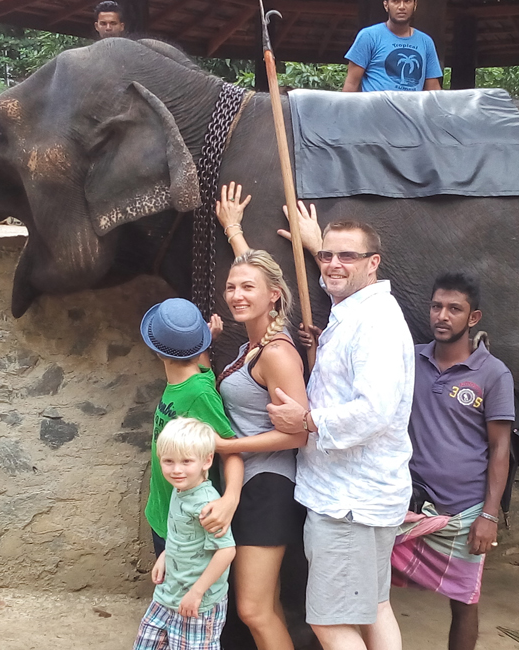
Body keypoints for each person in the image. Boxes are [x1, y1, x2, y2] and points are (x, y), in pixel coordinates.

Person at [265, 207, 415, 650]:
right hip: (359, 497)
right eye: (327, 255)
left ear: (374, 263)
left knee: (331, 623)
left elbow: (375, 409)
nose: (333, 264)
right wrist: (316, 245)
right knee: (373, 609)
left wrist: (306, 421)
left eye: (347, 257)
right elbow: (338, 283)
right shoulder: (359, 309)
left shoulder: (375, 324)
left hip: (348, 503)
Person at [205, 182, 310, 650]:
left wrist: (227, 446)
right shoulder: (253, 344)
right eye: (230, 287)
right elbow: (257, 275)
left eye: (247, 289)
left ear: (274, 297)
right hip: (248, 483)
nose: (236, 294)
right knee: (260, 605)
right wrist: (234, 231)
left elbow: (296, 436)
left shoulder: (277, 354)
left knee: (253, 608)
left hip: (269, 484)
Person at [394, 272, 514, 650]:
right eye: (436, 306)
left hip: (462, 512)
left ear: (472, 318)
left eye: (454, 309)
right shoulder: (408, 359)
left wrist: (489, 516)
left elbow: (500, 449)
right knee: (369, 588)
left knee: (464, 601)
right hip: (403, 507)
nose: (442, 316)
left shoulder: (494, 374)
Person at [140, 298, 245, 556]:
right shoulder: (197, 378)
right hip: (163, 512)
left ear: (157, 350)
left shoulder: (199, 395)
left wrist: (230, 500)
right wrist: (206, 344)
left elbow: (230, 450)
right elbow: (204, 370)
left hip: (186, 527)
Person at [133, 417, 238, 650]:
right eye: (168, 461)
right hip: (168, 593)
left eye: (186, 461)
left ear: (206, 460)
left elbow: (226, 551)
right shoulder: (180, 490)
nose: (177, 469)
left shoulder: (207, 503)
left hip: (198, 602)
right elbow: (181, 532)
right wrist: (165, 555)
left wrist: (196, 592)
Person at [342, 0, 443, 92]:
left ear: (415, 5)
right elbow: (352, 83)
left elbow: (433, 90)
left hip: (410, 111)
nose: (402, 6)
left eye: (407, 1)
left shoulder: (426, 42)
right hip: (374, 111)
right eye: (396, 1)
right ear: (386, 5)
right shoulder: (369, 36)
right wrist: (344, 111)